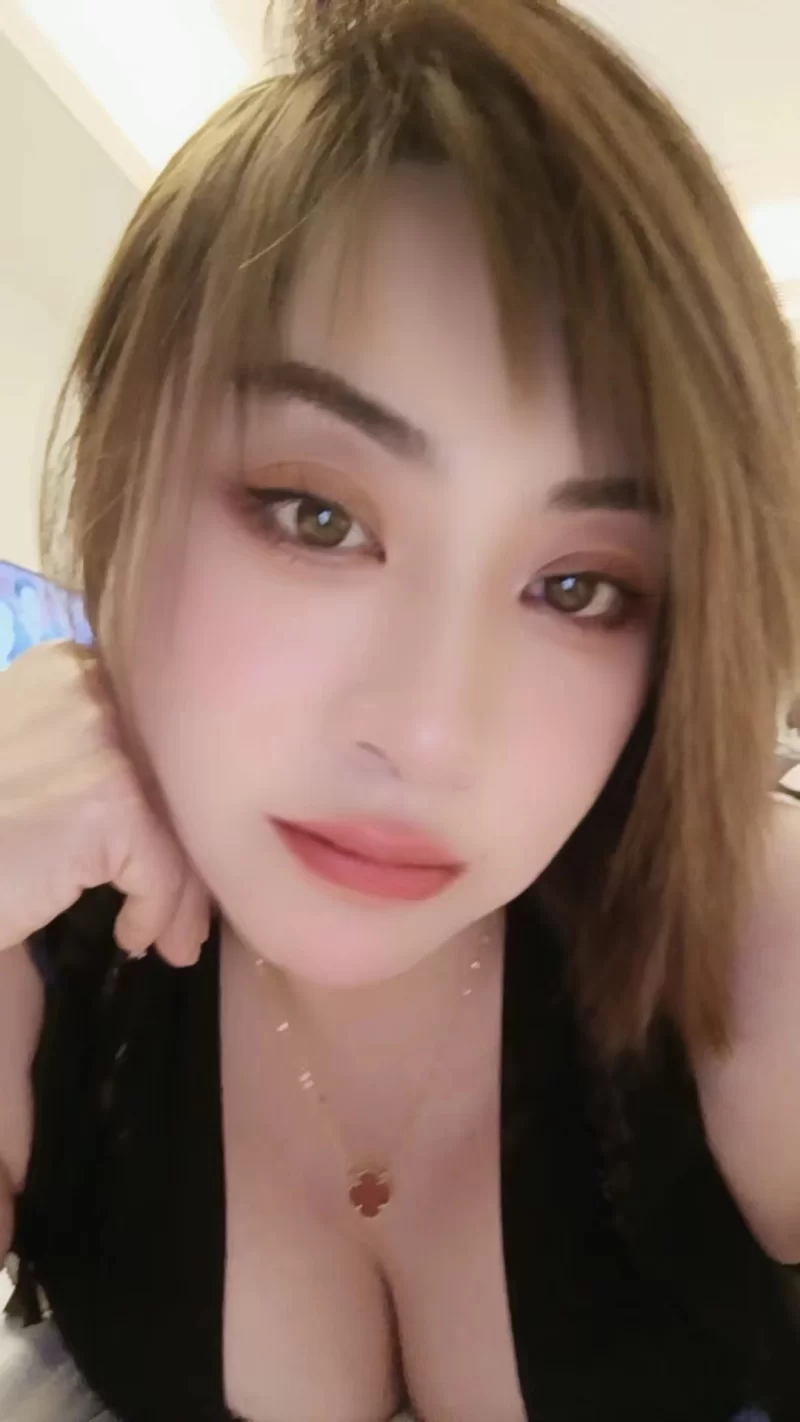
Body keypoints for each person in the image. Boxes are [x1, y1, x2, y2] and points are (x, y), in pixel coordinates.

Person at [0, 1, 798, 1419]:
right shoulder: (41, 950)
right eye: (315, 515)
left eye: (578, 587)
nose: (432, 736)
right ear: (120, 471)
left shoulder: (748, 944)